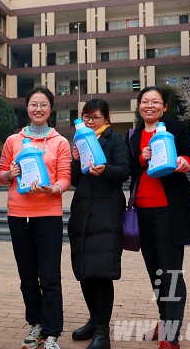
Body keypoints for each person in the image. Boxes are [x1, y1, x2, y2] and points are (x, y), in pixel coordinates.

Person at [0, 86, 71, 349]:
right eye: (33, 104)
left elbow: (65, 177)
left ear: (51, 109)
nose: (38, 109)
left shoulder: (60, 142)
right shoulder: (13, 141)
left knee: (50, 276)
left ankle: (52, 332)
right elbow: (1, 175)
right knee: (27, 275)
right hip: (18, 214)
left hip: (48, 214)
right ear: (26, 108)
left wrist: (55, 188)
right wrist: (11, 173)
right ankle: (35, 323)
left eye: (43, 105)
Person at [125, 86, 190, 349]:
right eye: (144, 101)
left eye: (155, 102)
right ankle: (164, 322)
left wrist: (185, 162)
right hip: (142, 212)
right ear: (139, 106)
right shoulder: (133, 136)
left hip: (169, 211)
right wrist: (141, 159)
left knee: (171, 273)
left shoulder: (176, 129)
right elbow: (129, 170)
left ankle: (172, 335)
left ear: (164, 107)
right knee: (155, 272)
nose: (149, 105)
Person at [69, 99, 130, 349]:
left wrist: (104, 170)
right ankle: (94, 321)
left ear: (106, 118)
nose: (90, 121)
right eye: (86, 117)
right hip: (83, 211)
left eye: (95, 117)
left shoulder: (115, 140)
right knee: (84, 270)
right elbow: (74, 180)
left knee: (102, 272)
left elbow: (124, 171)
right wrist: (75, 160)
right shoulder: (80, 140)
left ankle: (102, 332)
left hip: (107, 211)